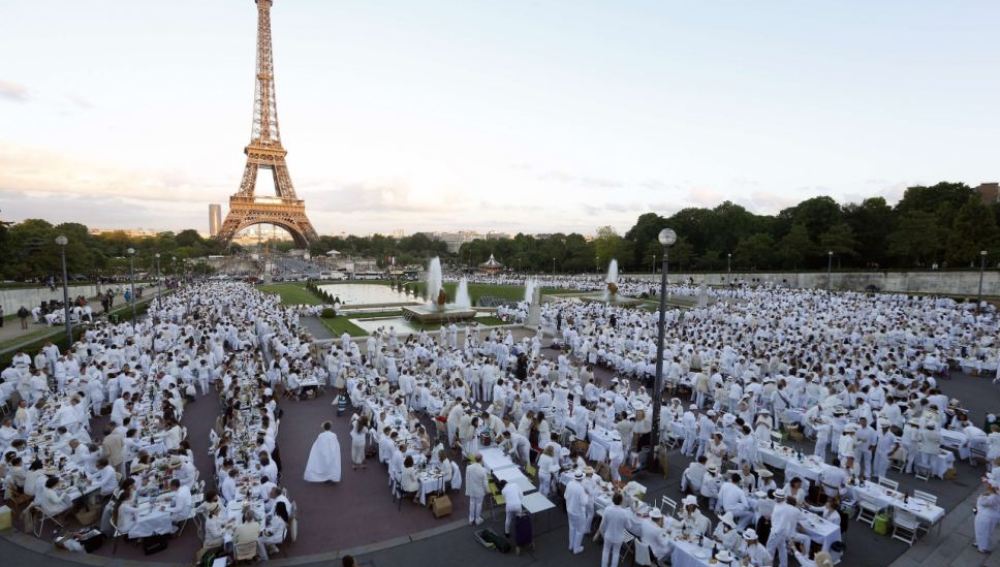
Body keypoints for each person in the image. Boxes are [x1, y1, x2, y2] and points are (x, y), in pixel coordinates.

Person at [595, 492, 630, 567]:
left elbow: (602, 524)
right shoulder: (624, 513)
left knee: (606, 552)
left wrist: (602, 534)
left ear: (613, 500)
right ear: (621, 501)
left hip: (608, 535)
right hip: (619, 537)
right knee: (616, 554)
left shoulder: (607, 509)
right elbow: (628, 526)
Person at [564, 469, 588, 554]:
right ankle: (576, 548)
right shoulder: (581, 489)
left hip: (569, 510)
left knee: (572, 527)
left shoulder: (569, 484)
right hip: (578, 513)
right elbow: (584, 502)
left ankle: (571, 545)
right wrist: (586, 495)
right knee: (579, 530)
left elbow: (565, 496)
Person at [975, 481, 1000, 553]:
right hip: (992, 516)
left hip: (985, 516)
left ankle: (982, 548)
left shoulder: (992, 497)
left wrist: (981, 496)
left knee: (982, 532)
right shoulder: (996, 496)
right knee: (985, 532)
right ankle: (980, 544)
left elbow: (982, 502)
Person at [465, 453, 488, 526]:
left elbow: (467, 479)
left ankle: (471, 519)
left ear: (475, 459)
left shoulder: (469, 467)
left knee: (471, 504)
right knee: (478, 504)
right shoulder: (483, 470)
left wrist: (467, 489)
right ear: (481, 460)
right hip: (479, 490)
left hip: (471, 489)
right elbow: (485, 483)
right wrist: (487, 490)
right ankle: (477, 519)